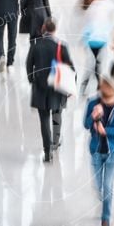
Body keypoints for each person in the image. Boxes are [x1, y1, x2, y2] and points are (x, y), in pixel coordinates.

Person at [83, 77, 114, 226]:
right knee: (99, 186)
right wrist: (93, 116)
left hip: (113, 152)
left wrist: (107, 132)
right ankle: (104, 202)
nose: (109, 102)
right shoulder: (93, 103)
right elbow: (85, 124)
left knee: (108, 186)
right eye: (106, 99)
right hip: (96, 150)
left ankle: (106, 218)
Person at [26, 18, 75, 163]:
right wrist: (72, 86)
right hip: (58, 87)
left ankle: (47, 152)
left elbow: (29, 65)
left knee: (44, 120)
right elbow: (71, 68)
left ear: (43, 28)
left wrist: (32, 81)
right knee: (57, 113)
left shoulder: (36, 45)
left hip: (40, 88)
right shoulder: (62, 46)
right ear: (54, 30)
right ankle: (55, 142)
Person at [80, 0, 114, 96]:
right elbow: (113, 6)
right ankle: (96, 87)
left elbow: (86, 25)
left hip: (93, 41)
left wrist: (84, 40)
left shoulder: (91, 7)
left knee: (94, 66)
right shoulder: (103, 5)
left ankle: (87, 87)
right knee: (96, 66)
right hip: (100, 41)